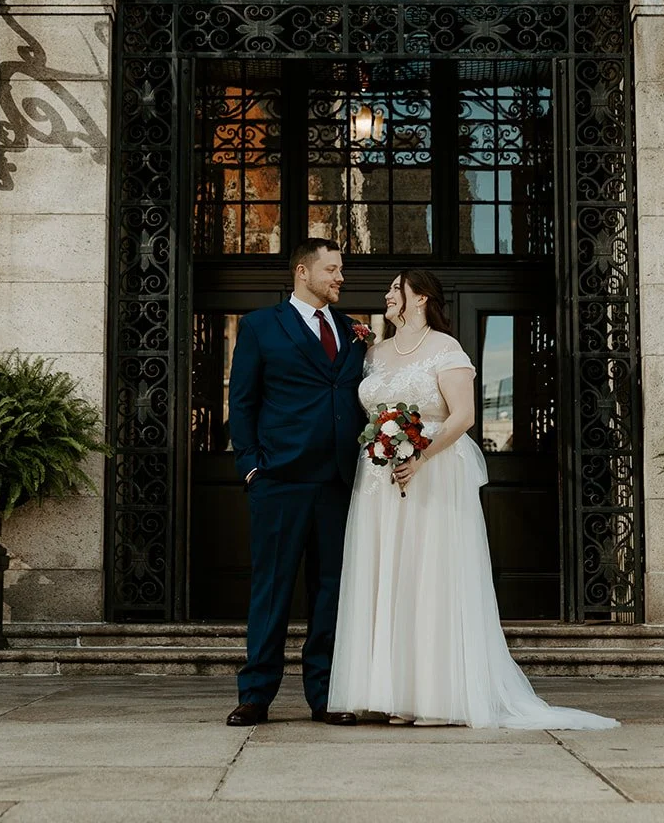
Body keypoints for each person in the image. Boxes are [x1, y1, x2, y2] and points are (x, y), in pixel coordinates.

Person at [328, 268, 618, 730]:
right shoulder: (375, 352)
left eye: (395, 289)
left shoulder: (447, 350)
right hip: (379, 479)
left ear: (419, 298)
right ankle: (393, 694)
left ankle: (437, 697)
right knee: (389, 576)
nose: (387, 294)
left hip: (433, 473)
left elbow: (462, 416)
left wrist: (419, 455)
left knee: (429, 577)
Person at [225, 237, 368, 726]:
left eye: (341, 270)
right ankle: (256, 694)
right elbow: (242, 401)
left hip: (338, 481)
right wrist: (250, 465)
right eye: (332, 269)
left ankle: (324, 696)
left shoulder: (352, 330)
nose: (340, 278)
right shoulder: (262, 326)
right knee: (272, 589)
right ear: (303, 273)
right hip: (279, 480)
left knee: (330, 589)